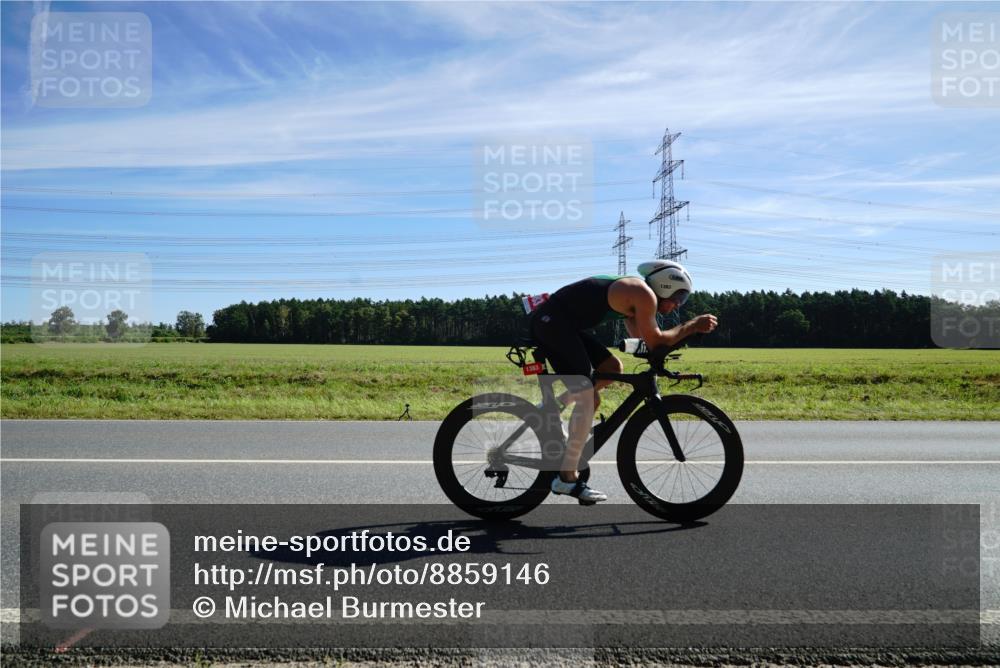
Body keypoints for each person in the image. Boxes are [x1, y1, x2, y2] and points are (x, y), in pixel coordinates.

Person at [529, 260, 718, 503]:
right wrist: (692, 326)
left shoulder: (636, 300)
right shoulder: (642, 294)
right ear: (664, 286)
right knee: (589, 398)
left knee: (612, 367)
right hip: (551, 323)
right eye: (678, 298)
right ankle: (566, 478)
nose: (677, 305)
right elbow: (656, 340)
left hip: (561, 323)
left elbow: (645, 343)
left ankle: (554, 407)